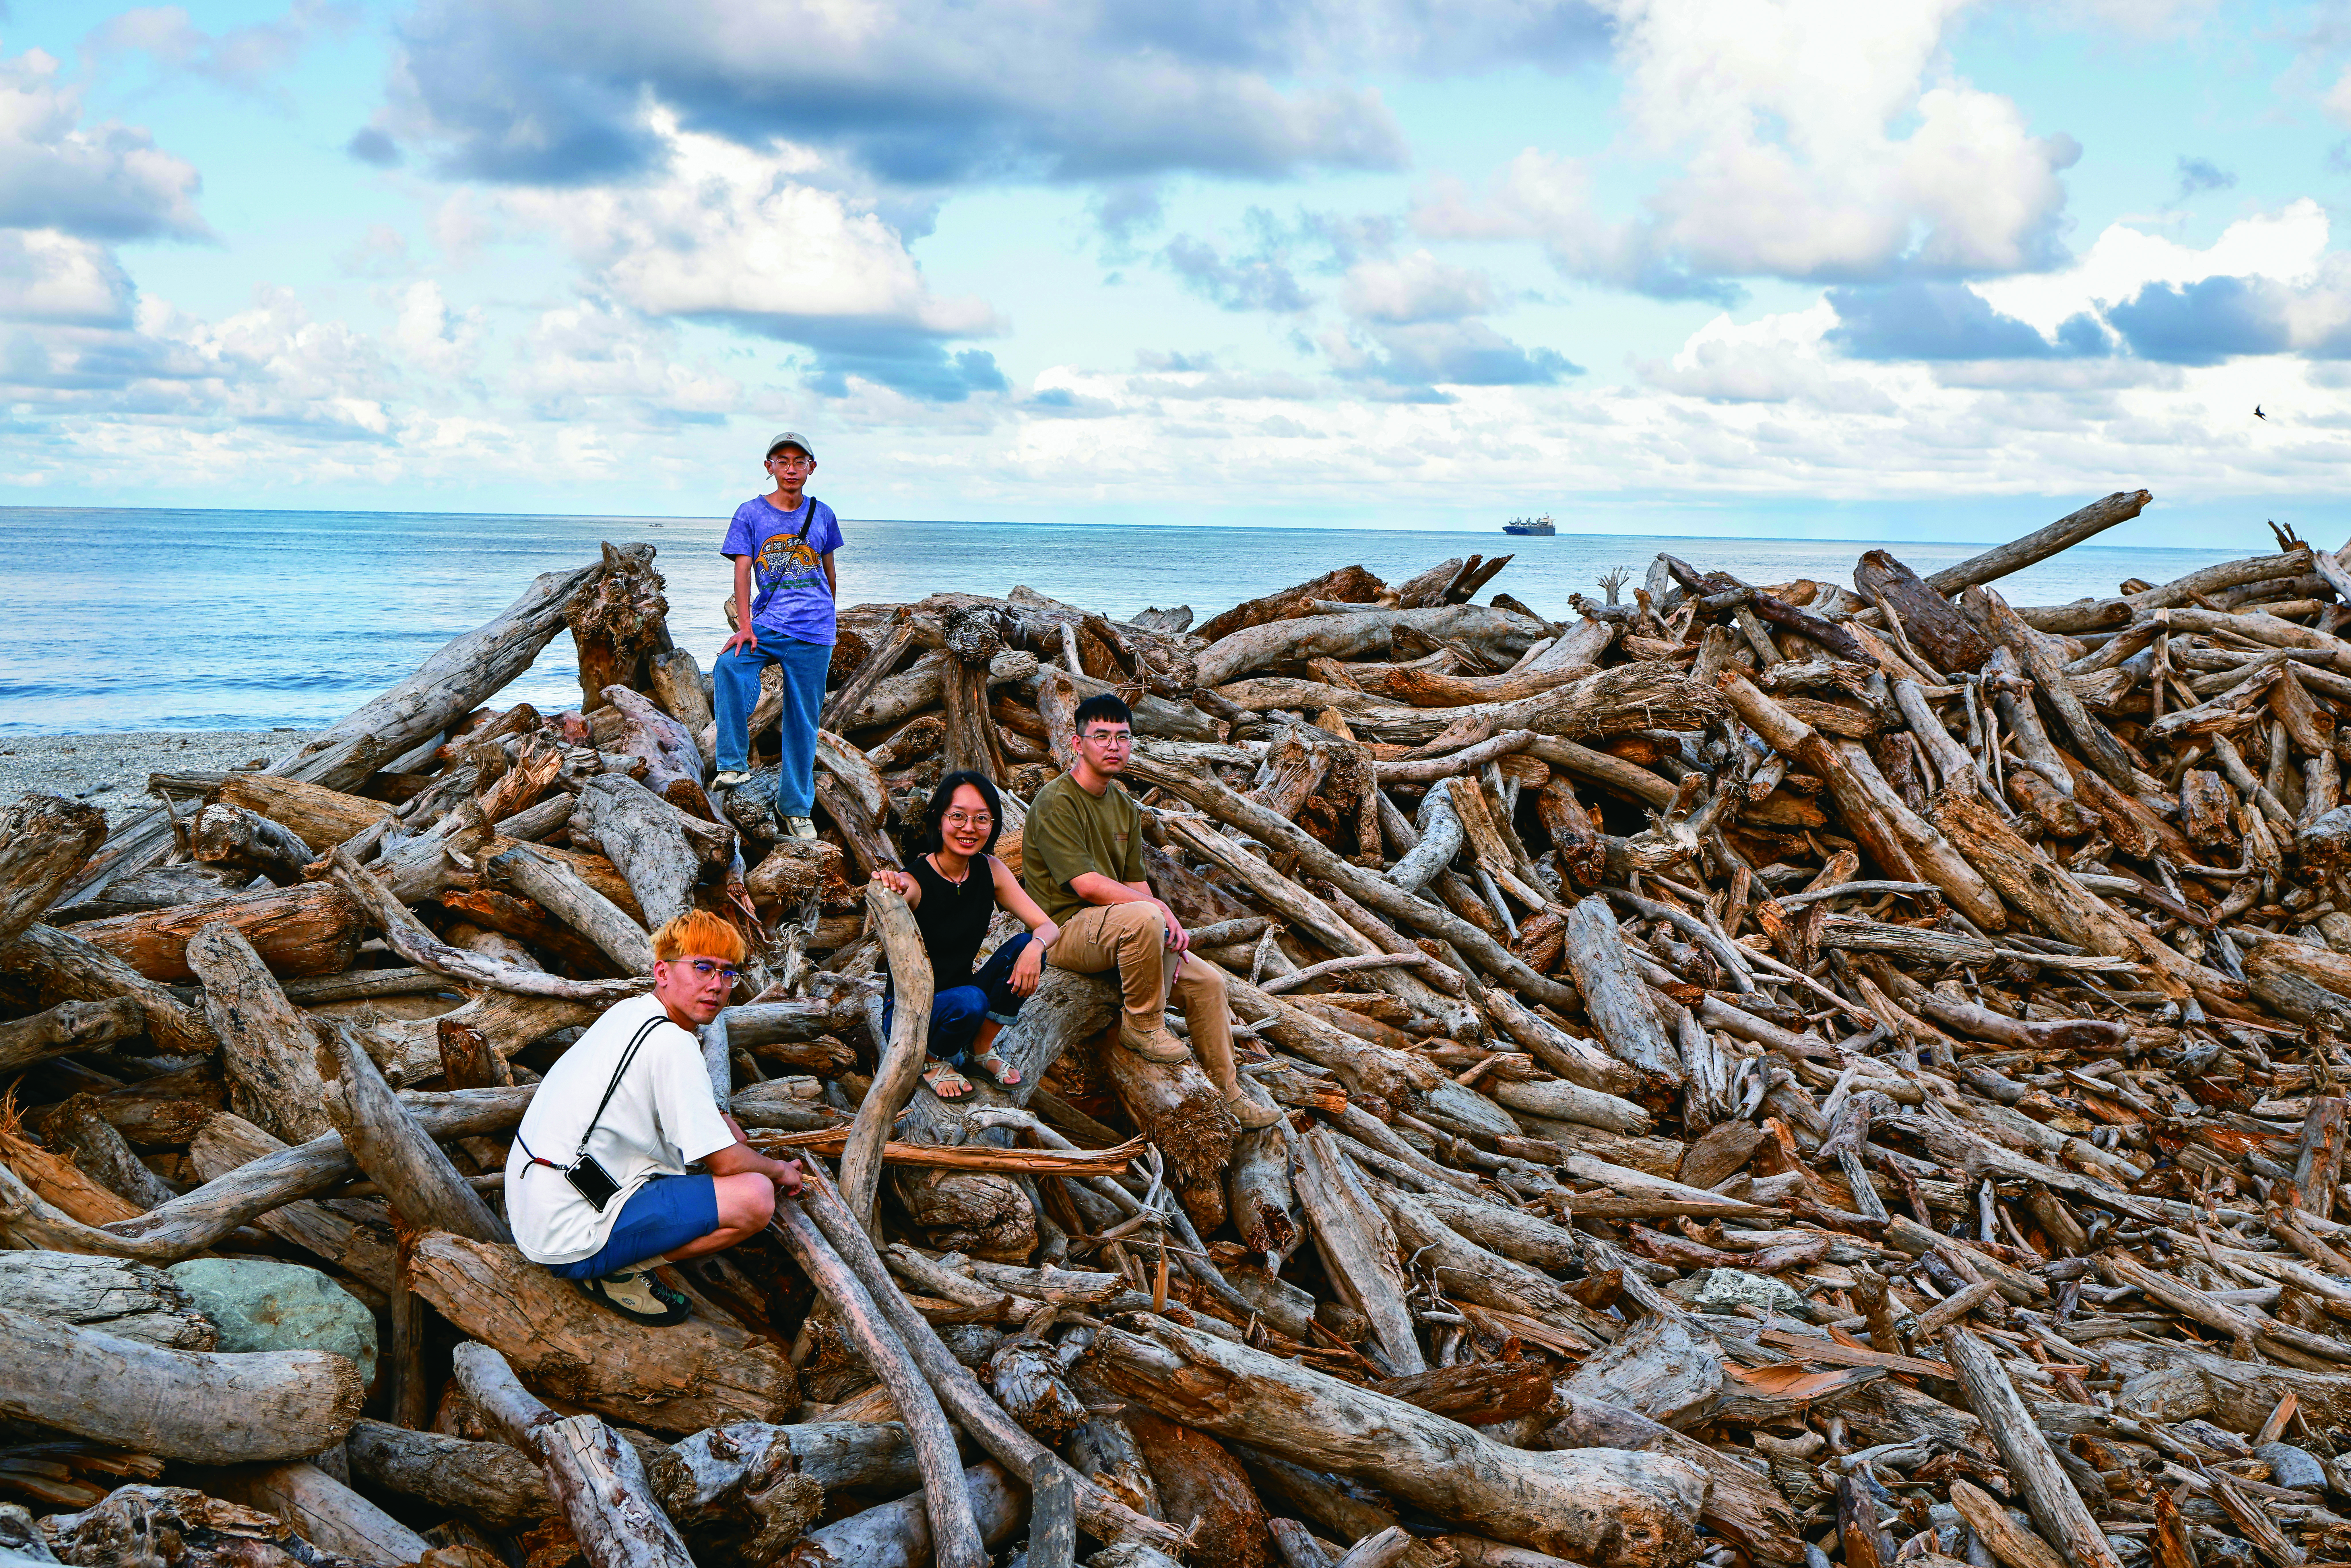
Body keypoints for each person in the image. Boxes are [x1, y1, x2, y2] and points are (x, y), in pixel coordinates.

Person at [505, 911, 804, 1325]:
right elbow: (727, 1163)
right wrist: (779, 1171)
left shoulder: (633, 1013)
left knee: (725, 1151)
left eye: (728, 974)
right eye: (702, 967)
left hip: (537, 1199)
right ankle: (616, 1272)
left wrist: (716, 1118)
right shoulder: (673, 1043)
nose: (716, 985)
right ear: (662, 971)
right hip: (571, 1232)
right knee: (755, 1196)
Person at [1019, 694, 1281, 1129]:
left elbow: (1137, 884)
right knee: (1147, 916)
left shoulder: (1122, 805)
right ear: (1076, 743)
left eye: (1122, 737)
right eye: (1101, 736)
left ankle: (1229, 1092)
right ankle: (1143, 1026)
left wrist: (1163, 941)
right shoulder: (1056, 801)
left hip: (1119, 931)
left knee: (1209, 983)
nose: (1113, 746)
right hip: (1065, 932)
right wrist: (1157, 913)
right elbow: (1085, 886)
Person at [873, 771, 1063, 1101]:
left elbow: (1047, 926)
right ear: (937, 818)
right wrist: (889, 884)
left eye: (981, 819)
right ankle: (932, 1060)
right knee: (970, 1001)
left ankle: (979, 1050)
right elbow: (893, 899)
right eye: (958, 816)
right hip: (910, 1015)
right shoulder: (915, 880)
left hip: (962, 1000)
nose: (969, 828)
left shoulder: (990, 870)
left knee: (1024, 948)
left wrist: (1036, 946)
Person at [712, 432, 842, 840]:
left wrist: (827, 618)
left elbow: (829, 571)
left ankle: (796, 809)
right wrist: (745, 627)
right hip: (769, 623)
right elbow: (742, 571)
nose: (791, 469)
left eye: (799, 462)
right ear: (769, 467)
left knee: (804, 720)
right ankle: (733, 764)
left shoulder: (823, 514)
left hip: (815, 632)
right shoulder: (750, 513)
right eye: (782, 461)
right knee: (731, 666)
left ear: (811, 468)